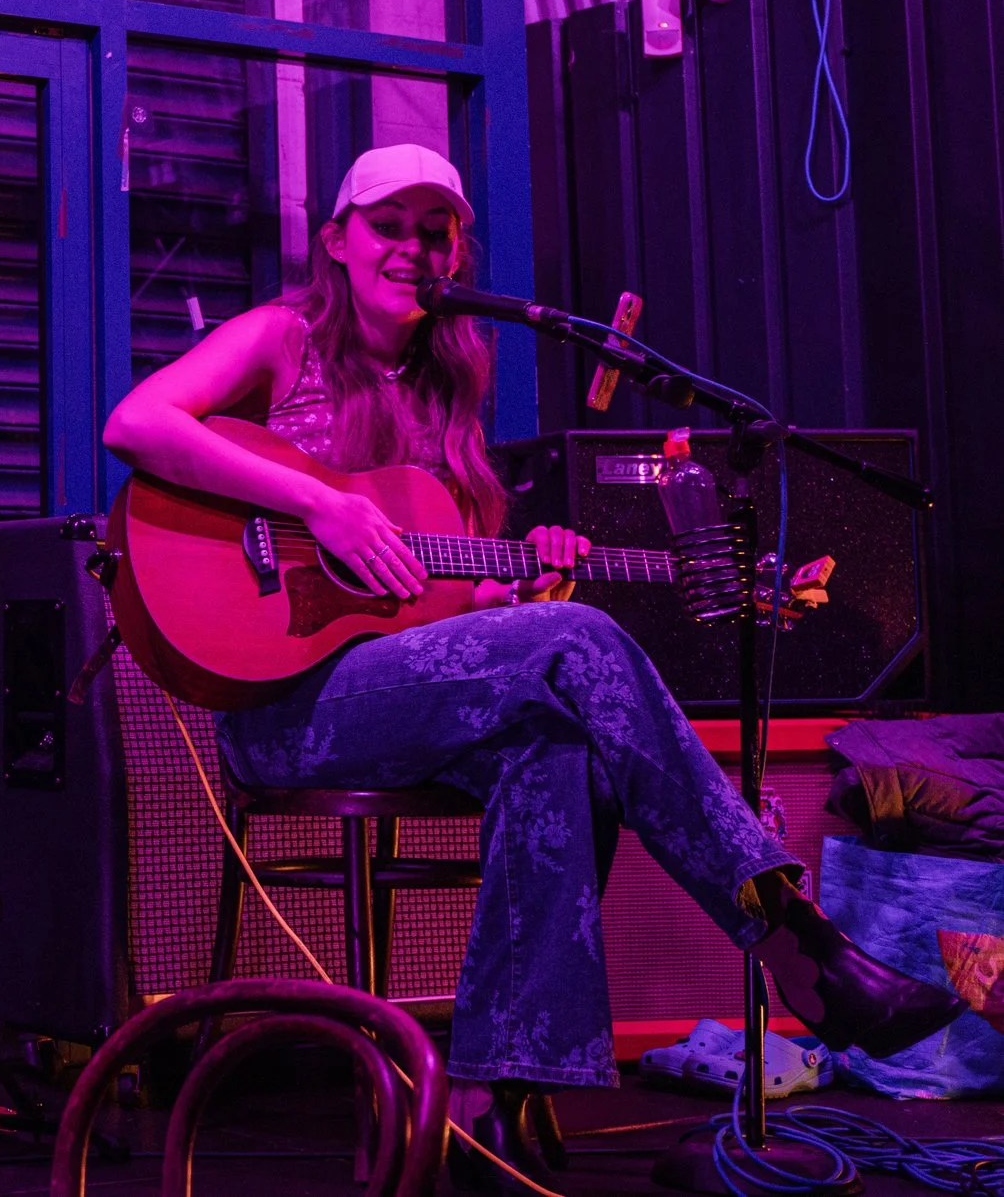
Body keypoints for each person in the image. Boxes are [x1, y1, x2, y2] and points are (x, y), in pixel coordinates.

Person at [101, 143, 961, 1192]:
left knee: (557, 745)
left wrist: (512, 594)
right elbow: (135, 422)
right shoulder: (284, 339)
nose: (412, 249)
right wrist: (319, 503)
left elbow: (433, 610)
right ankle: (789, 929)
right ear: (336, 239)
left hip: (393, 692)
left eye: (434, 231)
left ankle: (479, 1105)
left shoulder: (450, 395)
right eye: (388, 225)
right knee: (577, 647)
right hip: (283, 706)